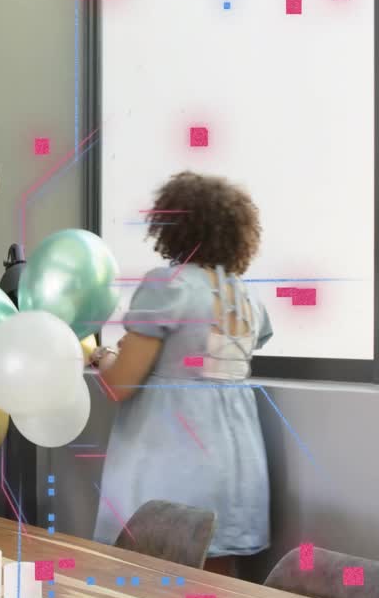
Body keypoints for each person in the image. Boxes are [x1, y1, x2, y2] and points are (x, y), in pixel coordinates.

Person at [89, 172, 274, 577]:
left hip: (171, 455)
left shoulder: (168, 285)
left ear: (173, 228)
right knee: (215, 586)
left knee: (155, 582)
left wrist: (101, 356)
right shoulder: (248, 297)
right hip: (237, 461)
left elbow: (120, 385)